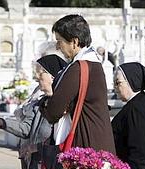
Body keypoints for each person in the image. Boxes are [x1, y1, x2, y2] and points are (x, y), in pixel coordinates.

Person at [0, 54, 67, 169]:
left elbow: (64, 143)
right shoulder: (40, 104)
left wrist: (37, 148)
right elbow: (26, 128)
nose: (36, 78)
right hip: (35, 165)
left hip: (52, 168)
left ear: (52, 77)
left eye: (40, 74)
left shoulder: (64, 107)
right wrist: (0, 122)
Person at [39, 14, 116, 153]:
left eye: (59, 41)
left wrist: (45, 103)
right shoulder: (94, 65)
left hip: (85, 144)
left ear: (74, 42)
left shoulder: (78, 68)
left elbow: (53, 111)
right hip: (99, 140)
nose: (57, 46)